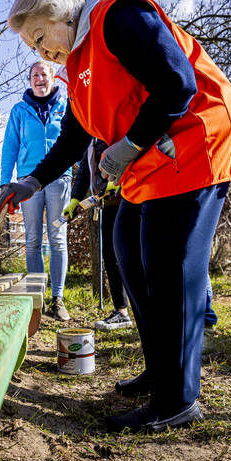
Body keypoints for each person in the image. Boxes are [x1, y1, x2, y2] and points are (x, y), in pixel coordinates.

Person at [0, 0, 231, 432]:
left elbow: (176, 83)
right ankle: (163, 371)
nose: (41, 53)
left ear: (61, 14)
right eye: (32, 47)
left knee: (169, 265)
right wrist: (32, 181)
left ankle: (178, 400)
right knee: (126, 246)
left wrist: (128, 144)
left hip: (197, 141)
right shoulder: (78, 66)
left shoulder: (118, 18)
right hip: (157, 159)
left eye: (40, 38)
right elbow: (74, 136)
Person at [0, 60, 73, 321]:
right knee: (32, 239)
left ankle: (58, 299)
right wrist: (5, 183)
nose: (39, 79)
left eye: (44, 74)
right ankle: (36, 299)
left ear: (52, 78)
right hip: (27, 181)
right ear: (29, 81)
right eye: (34, 75)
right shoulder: (19, 110)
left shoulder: (66, 106)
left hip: (59, 178)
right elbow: (10, 147)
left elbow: (76, 141)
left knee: (57, 237)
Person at [65, 138, 133, 331]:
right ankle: (121, 312)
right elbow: (86, 170)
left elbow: (133, 147)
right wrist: (75, 199)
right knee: (111, 257)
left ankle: (154, 311)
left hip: (132, 197)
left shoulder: (113, 125)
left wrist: (120, 177)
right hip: (109, 202)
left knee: (137, 255)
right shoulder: (90, 137)